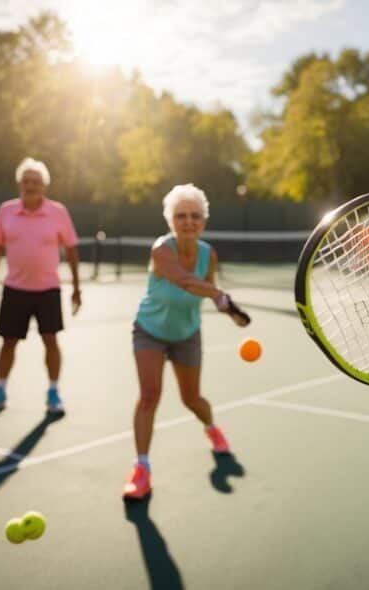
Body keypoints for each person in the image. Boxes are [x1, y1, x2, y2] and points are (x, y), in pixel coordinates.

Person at [122, 183, 249, 501]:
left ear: (203, 221)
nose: (188, 221)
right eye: (181, 216)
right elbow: (185, 281)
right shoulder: (160, 250)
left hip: (187, 334)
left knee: (192, 399)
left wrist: (223, 306)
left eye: (195, 215)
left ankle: (211, 429)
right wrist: (217, 294)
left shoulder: (209, 254)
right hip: (148, 330)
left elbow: (207, 286)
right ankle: (142, 469)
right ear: (170, 220)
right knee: (149, 396)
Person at [0, 158, 81, 415]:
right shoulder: (6, 211)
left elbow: (71, 250)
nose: (30, 186)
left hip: (48, 291)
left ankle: (54, 392)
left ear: (44, 187)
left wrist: (77, 288)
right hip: (14, 290)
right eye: (26, 181)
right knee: (8, 342)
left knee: (51, 341)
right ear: (19, 184)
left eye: (36, 182)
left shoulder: (58, 212)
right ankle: (0, 390)